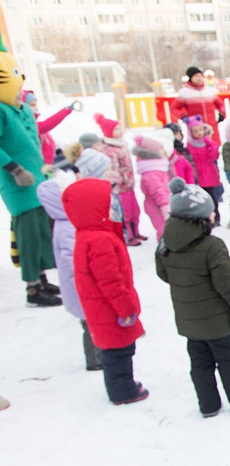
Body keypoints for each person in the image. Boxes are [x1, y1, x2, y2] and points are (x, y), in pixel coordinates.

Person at [155, 178, 230, 416]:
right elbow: (226, 283)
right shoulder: (211, 245)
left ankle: (208, 405)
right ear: (199, 218)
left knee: (199, 363)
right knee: (229, 360)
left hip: (187, 318)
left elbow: (163, 273)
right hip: (215, 320)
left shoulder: (165, 243)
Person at [62, 177, 148, 405]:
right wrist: (126, 308)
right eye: (107, 204)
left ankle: (120, 388)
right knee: (119, 352)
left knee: (114, 351)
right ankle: (124, 392)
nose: (112, 208)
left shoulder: (89, 234)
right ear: (93, 209)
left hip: (102, 309)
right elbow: (110, 282)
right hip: (112, 310)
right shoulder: (99, 240)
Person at [0, 39, 62, 307]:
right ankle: (33, 289)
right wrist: (14, 168)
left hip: (38, 181)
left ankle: (42, 277)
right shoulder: (2, 110)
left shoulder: (22, 108)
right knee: (27, 234)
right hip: (19, 185)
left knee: (40, 232)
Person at [38, 151, 112, 371]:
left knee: (90, 322)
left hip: (79, 286)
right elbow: (73, 261)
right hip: (81, 287)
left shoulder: (66, 223)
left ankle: (98, 354)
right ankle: (95, 359)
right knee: (90, 324)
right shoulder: (68, 226)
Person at [95, 112, 145, 243]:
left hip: (129, 184)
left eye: (119, 128)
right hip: (121, 187)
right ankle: (129, 235)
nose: (119, 131)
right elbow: (113, 169)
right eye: (116, 129)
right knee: (125, 212)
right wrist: (120, 180)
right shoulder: (110, 149)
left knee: (135, 210)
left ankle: (136, 231)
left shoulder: (122, 143)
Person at [132, 130, 174, 241]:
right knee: (164, 230)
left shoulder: (158, 168)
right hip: (158, 207)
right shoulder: (151, 172)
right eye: (161, 150)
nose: (164, 152)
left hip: (162, 205)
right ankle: (164, 250)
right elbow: (158, 191)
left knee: (169, 229)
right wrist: (165, 206)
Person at [184, 116, 224, 225]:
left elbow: (214, 156)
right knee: (200, 199)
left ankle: (216, 218)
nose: (199, 133)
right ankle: (204, 219)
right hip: (198, 176)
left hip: (209, 175)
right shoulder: (190, 145)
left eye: (200, 130)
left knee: (212, 198)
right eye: (195, 131)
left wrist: (210, 143)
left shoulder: (207, 143)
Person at [24, 90, 81, 165]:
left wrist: (58, 151)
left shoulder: (34, 123)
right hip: (42, 166)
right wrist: (66, 110)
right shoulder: (27, 125)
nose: (36, 108)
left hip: (49, 164)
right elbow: (47, 124)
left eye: (36, 104)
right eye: (32, 105)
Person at [170, 66, 227, 137]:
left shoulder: (209, 91)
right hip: (195, 128)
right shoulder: (185, 93)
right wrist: (184, 117)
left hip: (211, 126)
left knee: (213, 146)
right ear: (191, 78)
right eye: (196, 76)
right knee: (198, 146)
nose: (199, 78)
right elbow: (174, 108)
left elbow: (221, 105)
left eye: (200, 76)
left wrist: (222, 113)